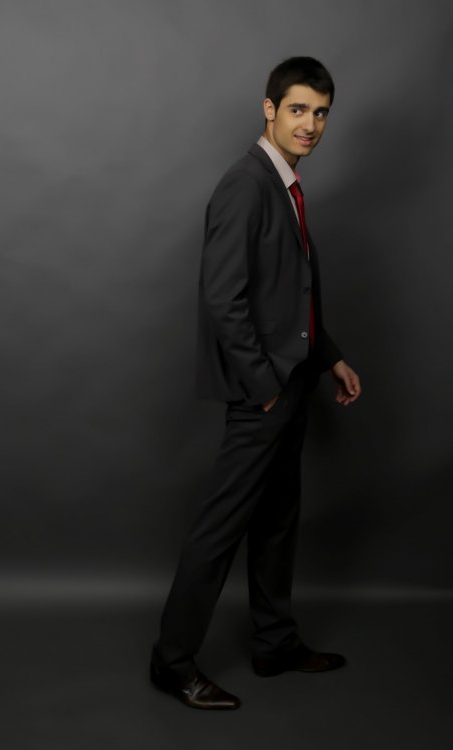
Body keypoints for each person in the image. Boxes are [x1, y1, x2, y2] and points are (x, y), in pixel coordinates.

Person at [150, 56, 362, 710]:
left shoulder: (287, 184)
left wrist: (329, 357)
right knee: (220, 529)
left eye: (321, 113)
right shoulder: (246, 184)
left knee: (277, 521)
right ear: (269, 109)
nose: (310, 124)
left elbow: (290, 294)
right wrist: (264, 384)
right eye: (298, 109)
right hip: (263, 390)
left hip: (294, 381)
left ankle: (274, 643)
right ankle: (172, 661)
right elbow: (223, 298)